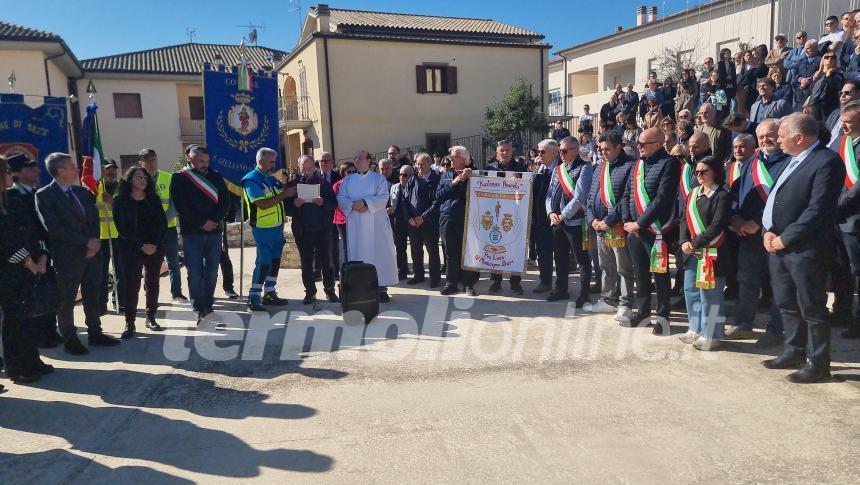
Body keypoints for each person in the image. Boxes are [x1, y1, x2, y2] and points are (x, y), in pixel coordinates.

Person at [761, 113, 844, 383]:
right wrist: (768, 230)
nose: (777, 140)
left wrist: (787, 238)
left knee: (812, 306)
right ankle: (793, 350)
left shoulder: (826, 161)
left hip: (806, 248)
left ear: (799, 137)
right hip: (779, 245)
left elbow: (818, 209)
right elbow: (778, 199)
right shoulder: (792, 161)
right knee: (786, 302)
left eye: (781, 136)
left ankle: (818, 362)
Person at [35, 152, 120, 354]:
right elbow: (54, 228)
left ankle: (95, 333)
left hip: (92, 255)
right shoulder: (44, 195)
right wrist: (85, 243)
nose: (76, 169)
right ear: (60, 170)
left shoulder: (81, 192)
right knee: (67, 299)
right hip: (68, 257)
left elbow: (94, 219)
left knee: (92, 295)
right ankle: (70, 339)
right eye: (72, 166)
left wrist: (94, 243)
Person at [622, 128, 680, 334]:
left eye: (643, 144)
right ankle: (643, 312)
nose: (639, 147)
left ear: (658, 143)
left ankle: (663, 317)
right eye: (638, 143)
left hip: (657, 230)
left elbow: (663, 199)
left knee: (660, 275)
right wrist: (628, 221)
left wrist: (641, 223)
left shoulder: (670, 163)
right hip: (635, 231)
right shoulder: (638, 164)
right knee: (640, 274)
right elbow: (628, 194)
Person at [1, 155, 53, 384]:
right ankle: (17, 368)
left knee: (26, 319)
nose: (9, 175)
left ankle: (31, 361)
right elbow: (5, 240)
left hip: (27, 268)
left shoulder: (12, 198)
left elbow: (34, 229)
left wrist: (41, 256)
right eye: (5, 172)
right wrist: (27, 261)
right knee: (14, 321)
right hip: (9, 270)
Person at [7, 153, 62, 349]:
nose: (36, 171)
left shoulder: (38, 192)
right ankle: (38, 335)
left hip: (44, 252)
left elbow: (44, 226)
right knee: (30, 297)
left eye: (35, 167)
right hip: (24, 257)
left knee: (48, 292)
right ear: (16, 173)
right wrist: (32, 259)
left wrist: (44, 255)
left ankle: (49, 330)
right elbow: (18, 232)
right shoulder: (12, 196)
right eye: (30, 168)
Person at [170, 145, 230, 324]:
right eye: (201, 161)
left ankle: (208, 306)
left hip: (214, 231)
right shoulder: (179, 178)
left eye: (207, 161)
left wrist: (214, 220)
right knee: (195, 272)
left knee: (212, 271)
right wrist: (201, 222)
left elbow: (224, 201)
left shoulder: (216, 176)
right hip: (192, 232)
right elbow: (181, 205)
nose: (205, 164)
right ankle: (198, 308)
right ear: (190, 160)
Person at [678, 156, 732, 351]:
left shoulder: (722, 196)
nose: (699, 175)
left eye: (704, 171)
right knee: (691, 290)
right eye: (697, 172)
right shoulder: (693, 194)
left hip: (713, 252)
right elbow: (683, 220)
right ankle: (695, 328)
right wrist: (684, 241)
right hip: (691, 252)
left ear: (715, 172)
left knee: (710, 294)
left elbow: (717, 225)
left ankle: (712, 334)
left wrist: (694, 243)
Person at [112, 166, 167, 338]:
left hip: (155, 247)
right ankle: (130, 322)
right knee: (131, 284)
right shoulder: (120, 200)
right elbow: (121, 227)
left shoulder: (153, 199)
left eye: (144, 177)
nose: (142, 180)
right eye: (138, 177)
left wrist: (154, 245)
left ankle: (151, 317)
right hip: (130, 248)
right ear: (129, 180)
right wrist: (141, 245)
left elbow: (162, 224)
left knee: (152, 283)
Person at [585, 131, 635, 321]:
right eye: (600, 149)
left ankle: (626, 303)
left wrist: (609, 221)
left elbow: (625, 198)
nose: (603, 153)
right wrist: (592, 219)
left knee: (623, 267)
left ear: (618, 147)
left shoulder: (629, 166)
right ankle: (607, 299)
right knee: (605, 264)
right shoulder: (599, 167)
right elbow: (591, 196)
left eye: (607, 149)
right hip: (599, 225)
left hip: (617, 226)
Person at [338, 150, 399, 302]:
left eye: (360, 158)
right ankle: (362, 288)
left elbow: (384, 197)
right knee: (359, 255)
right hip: (356, 225)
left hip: (376, 225)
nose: (357, 161)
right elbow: (341, 197)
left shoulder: (378, 178)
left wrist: (366, 203)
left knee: (380, 254)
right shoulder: (348, 180)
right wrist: (353, 204)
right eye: (355, 158)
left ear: (369, 161)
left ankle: (381, 288)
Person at [240, 147, 294, 311]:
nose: (274, 164)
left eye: (274, 161)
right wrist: (285, 195)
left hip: (277, 227)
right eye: (271, 162)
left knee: (276, 260)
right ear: (260, 161)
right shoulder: (251, 180)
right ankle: (254, 297)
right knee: (263, 263)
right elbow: (262, 204)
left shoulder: (270, 177)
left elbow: (283, 189)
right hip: (263, 228)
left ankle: (270, 293)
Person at [545, 137, 593, 307]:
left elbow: (580, 196)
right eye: (560, 151)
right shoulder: (558, 169)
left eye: (565, 151)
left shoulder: (585, 168)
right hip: (557, 221)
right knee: (559, 257)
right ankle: (561, 289)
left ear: (576, 150)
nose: (562, 154)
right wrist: (551, 212)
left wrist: (563, 215)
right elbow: (550, 194)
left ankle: (584, 293)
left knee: (582, 259)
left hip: (575, 221)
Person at [287, 154, 338, 304]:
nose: (307, 172)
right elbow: (286, 208)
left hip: (322, 230)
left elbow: (334, 204)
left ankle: (330, 291)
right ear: (299, 168)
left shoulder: (323, 184)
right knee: (306, 263)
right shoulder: (293, 185)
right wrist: (294, 204)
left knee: (327, 262)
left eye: (310, 168)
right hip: (302, 231)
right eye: (304, 169)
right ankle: (310, 292)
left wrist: (323, 202)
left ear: (314, 168)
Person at [138, 148, 187, 303]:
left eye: (153, 159)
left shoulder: (169, 178)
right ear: (141, 162)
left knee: (173, 261)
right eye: (147, 160)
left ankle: (177, 292)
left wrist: (162, 221)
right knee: (150, 264)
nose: (151, 163)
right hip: (148, 231)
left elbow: (176, 203)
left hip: (168, 228)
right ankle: (150, 294)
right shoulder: (138, 180)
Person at [485, 140, 528, 294]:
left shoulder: (521, 168)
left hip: (515, 213)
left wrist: (521, 180)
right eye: (502, 150)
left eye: (508, 149)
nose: (505, 152)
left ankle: (515, 282)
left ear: (512, 151)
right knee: (495, 246)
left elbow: (528, 188)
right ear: (497, 152)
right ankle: (496, 282)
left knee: (515, 247)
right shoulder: (490, 168)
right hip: (496, 214)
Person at [436, 146, 479, 296]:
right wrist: (454, 182)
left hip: (466, 218)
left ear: (463, 159)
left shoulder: (474, 174)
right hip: (447, 217)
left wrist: (466, 180)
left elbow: (472, 195)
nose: (450, 159)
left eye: (454, 156)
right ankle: (451, 283)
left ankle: (468, 284)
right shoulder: (446, 175)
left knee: (467, 252)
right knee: (450, 252)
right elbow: (439, 195)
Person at [836, 102, 860, 339]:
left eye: (848, 121)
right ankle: (841, 311)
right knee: (840, 268)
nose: (843, 125)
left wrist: (835, 206)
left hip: (855, 219)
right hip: (839, 219)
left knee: (857, 272)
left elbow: (857, 190)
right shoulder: (843, 143)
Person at [94, 160, 123, 315]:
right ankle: (101, 304)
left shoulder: (123, 187)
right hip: (101, 236)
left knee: (120, 271)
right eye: (107, 169)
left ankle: (119, 301)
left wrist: (113, 203)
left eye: (113, 169)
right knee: (101, 273)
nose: (111, 172)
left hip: (119, 235)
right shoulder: (95, 188)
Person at [316, 151, 341, 279]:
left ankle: (335, 271)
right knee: (317, 245)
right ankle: (317, 272)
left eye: (326, 161)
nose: (323, 163)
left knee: (333, 245)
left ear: (331, 163)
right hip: (316, 216)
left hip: (333, 215)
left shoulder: (338, 177)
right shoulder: (314, 176)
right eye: (321, 161)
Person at [806, 49, 843, 121]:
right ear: (823, 60)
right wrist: (807, 105)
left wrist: (829, 76)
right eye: (827, 57)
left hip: (828, 108)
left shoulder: (838, 74)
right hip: (814, 107)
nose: (829, 59)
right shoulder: (818, 75)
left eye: (833, 57)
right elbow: (811, 92)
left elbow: (836, 88)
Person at [332, 162, 356, 267]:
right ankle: (347, 275)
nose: (352, 174)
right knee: (346, 247)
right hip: (343, 220)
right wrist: (350, 210)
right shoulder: (337, 185)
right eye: (349, 172)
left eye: (354, 171)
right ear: (343, 173)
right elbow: (336, 203)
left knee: (356, 246)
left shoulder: (358, 184)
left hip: (356, 219)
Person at [826, 81, 860, 150]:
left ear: (858, 94)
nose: (842, 96)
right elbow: (825, 133)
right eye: (841, 93)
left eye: (847, 93)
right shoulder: (835, 113)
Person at [789, 39, 821, 111]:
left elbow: (820, 72)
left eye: (808, 48)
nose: (805, 51)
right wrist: (800, 79)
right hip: (799, 90)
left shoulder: (820, 60)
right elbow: (796, 73)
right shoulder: (802, 60)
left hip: (812, 91)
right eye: (805, 48)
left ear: (815, 48)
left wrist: (809, 80)